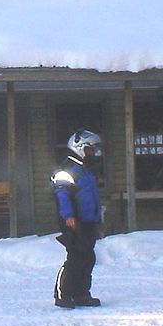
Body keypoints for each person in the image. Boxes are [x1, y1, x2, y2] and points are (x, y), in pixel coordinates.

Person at [50, 129, 105, 309]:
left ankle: (81, 293)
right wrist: (69, 216)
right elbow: (62, 195)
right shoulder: (66, 170)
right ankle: (62, 294)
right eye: (90, 149)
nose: (93, 153)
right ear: (80, 148)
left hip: (88, 222)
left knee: (88, 258)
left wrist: (97, 219)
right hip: (74, 221)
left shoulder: (85, 171)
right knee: (75, 257)